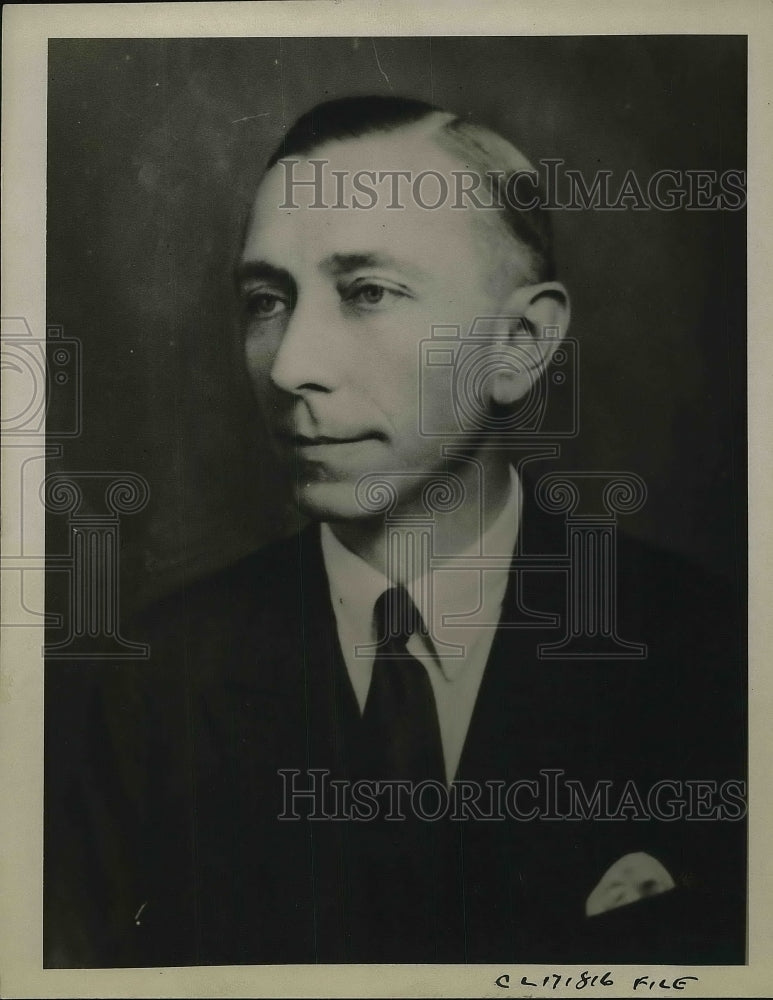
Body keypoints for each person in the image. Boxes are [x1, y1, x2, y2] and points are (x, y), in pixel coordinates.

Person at [44, 96, 746, 967]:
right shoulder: (144, 691)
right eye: (266, 300)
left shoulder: (717, 657)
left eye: (367, 292)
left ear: (521, 342)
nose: (293, 366)